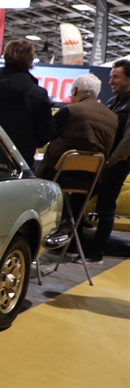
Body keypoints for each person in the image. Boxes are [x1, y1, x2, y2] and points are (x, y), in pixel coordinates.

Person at [35, 73, 117, 227]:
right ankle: (69, 229)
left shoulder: (70, 111)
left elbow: (44, 136)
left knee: (31, 179)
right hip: (92, 180)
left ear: (75, 91)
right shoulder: (112, 117)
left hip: (59, 175)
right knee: (76, 206)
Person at [0, 38, 54, 169]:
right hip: (18, 163)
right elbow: (45, 134)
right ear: (30, 60)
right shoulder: (37, 94)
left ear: (6, 56)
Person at [85, 58, 130, 264]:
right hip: (102, 161)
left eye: (116, 77)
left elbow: (128, 140)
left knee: (105, 207)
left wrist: (111, 161)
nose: (111, 81)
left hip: (117, 163)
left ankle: (97, 253)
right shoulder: (113, 102)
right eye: (111, 77)